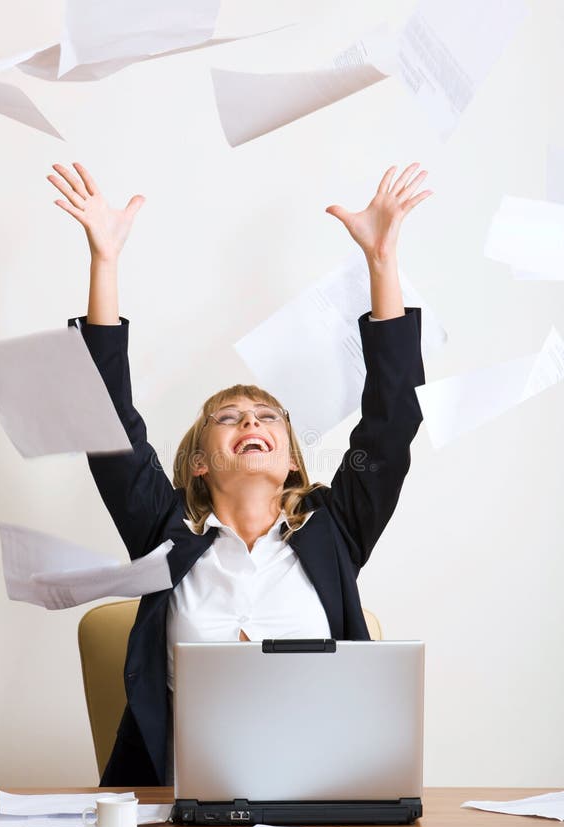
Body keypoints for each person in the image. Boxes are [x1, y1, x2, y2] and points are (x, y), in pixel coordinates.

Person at [48, 161, 430, 786]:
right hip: (180, 811)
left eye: (267, 417)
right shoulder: (165, 535)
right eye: (229, 417)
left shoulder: (336, 530)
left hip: (322, 797)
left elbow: (390, 426)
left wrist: (382, 261)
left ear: (289, 459)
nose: (251, 421)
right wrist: (105, 264)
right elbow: (106, 426)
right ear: (200, 460)